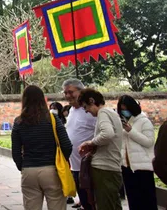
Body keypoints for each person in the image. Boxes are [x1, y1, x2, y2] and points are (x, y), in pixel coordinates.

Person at [11, 85, 72, 210]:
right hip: (51, 169)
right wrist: (61, 162)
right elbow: (66, 145)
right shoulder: (52, 119)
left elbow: (16, 151)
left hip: (29, 171)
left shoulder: (18, 121)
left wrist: (22, 166)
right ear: (42, 99)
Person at [77, 88, 123, 210]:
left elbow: (107, 134)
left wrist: (90, 143)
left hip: (104, 168)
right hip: (111, 167)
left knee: (105, 205)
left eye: (86, 107)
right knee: (113, 204)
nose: (87, 111)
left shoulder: (103, 113)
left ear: (92, 101)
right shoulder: (112, 113)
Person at [117, 95, 157, 210]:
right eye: (122, 110)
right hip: (127, 167)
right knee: (133, 200)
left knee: (147, 200)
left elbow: (149, 142)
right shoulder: (124, 123)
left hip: (143, 168)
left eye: (126, 109)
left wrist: (130, 131)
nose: (124, 112)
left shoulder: (144, 121)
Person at [62, 78, 96, 210]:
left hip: (89, 167)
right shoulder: (71, 110)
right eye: (65, 93)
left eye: (71, 92)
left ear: (81, 91)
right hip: (75, 167)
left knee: (92, 202)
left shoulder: (90, 111)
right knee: (84, 201)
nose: (68, 96)